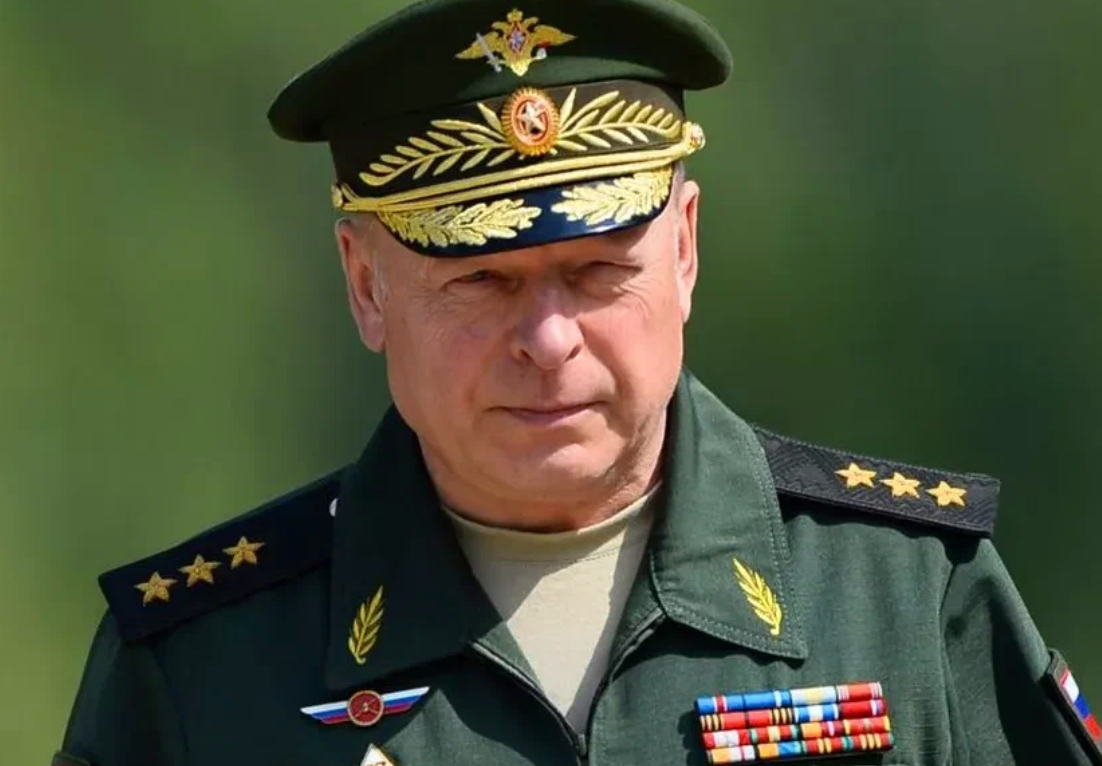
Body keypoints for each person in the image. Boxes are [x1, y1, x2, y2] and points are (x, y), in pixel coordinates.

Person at [55, 1, 1100, 765]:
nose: (548, 338)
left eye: (599, 271)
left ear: (683, 248)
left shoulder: (905, 597)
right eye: (482, 280)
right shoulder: (199, 667)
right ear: (366, 285)